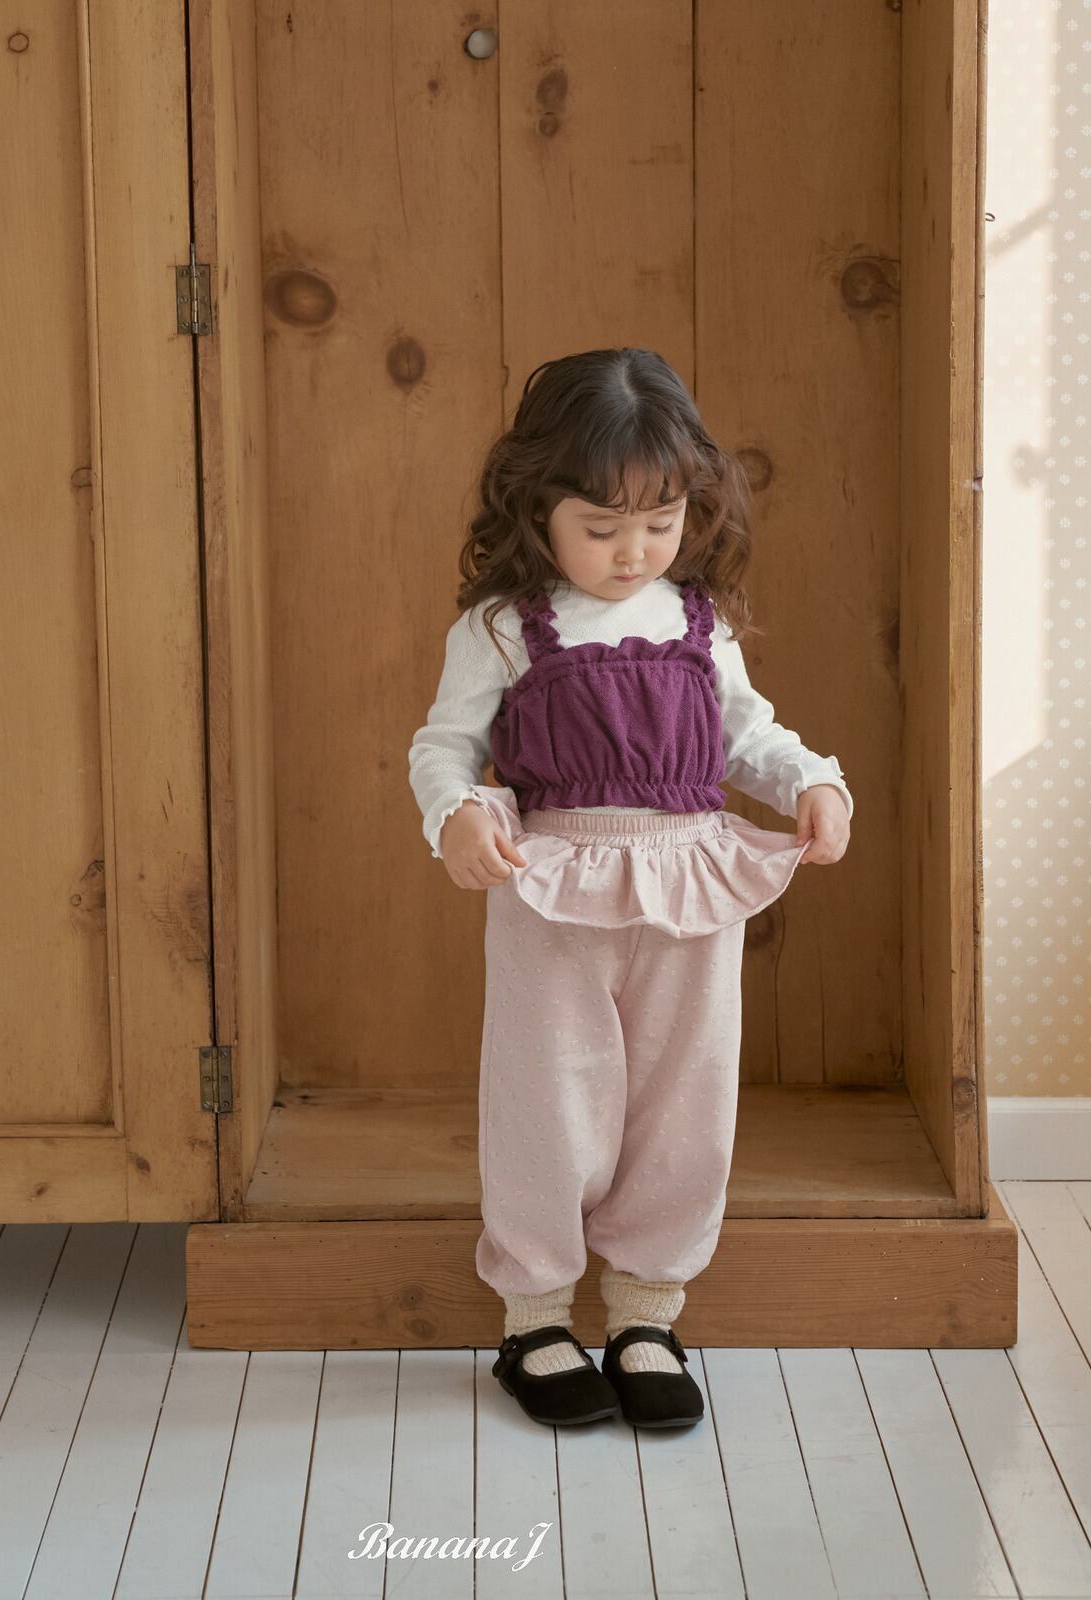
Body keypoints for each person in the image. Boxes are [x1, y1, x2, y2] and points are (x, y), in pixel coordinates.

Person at [407, 348, 853, 1429]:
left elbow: (747, 736)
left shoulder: (698, 622)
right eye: (601, 528)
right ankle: (535, 1318)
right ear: (538, 509)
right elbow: (444, 747)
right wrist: (455, 813)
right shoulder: (504, 628)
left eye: (659, 523)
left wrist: (811, 781)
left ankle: (648, 1313)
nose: (633, 551)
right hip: (552, 891)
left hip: (688, 887)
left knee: (683, 1100)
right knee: (546, 1100)